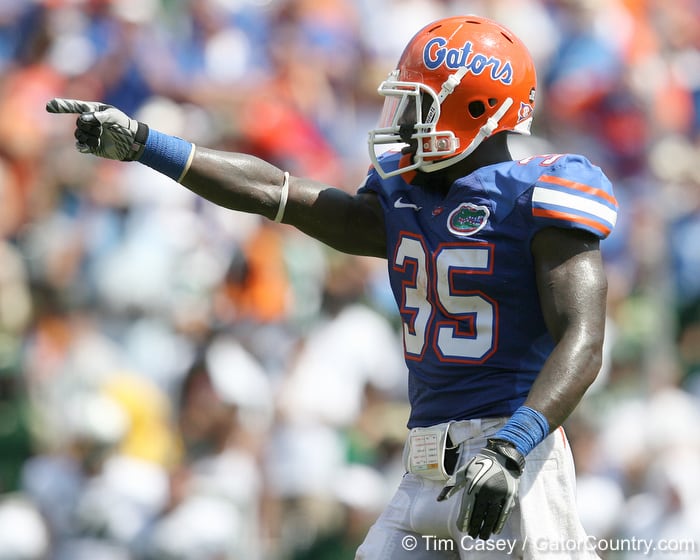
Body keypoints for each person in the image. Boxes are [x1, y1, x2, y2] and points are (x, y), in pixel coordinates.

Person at [46, 14, 617, 560]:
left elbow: (583, 341)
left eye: (420, 105)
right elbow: (278, 192)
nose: (403, 120)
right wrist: (148, 145)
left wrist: (514, 445)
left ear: (475, 107)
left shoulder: (537, 192)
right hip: (425, 464)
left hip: (510, 452)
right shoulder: (405, 198)